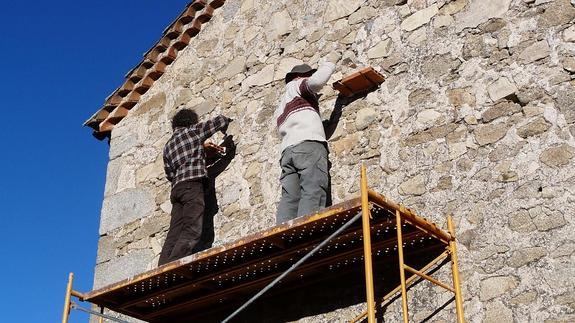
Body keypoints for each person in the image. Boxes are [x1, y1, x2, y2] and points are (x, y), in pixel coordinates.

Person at [159, 109, 231, 265]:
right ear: (191, 121)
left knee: (174, 232)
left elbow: (169, 173)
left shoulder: (168, 146)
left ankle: (162, 266)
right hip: (192, 186)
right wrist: (226, 124)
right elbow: (219, 121)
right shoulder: (194, 131)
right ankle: (174, 264)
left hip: (177, 189)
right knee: (192, 228)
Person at [274, 56, 339, 224]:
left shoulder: (283, 104)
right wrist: (329, 62)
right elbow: (316, 82)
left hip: (288, 152)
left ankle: (284, 235)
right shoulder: (297, 85)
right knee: (314, 188)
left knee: (291, 197)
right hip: (308, 146)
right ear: (299, 76)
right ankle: (308, 232)